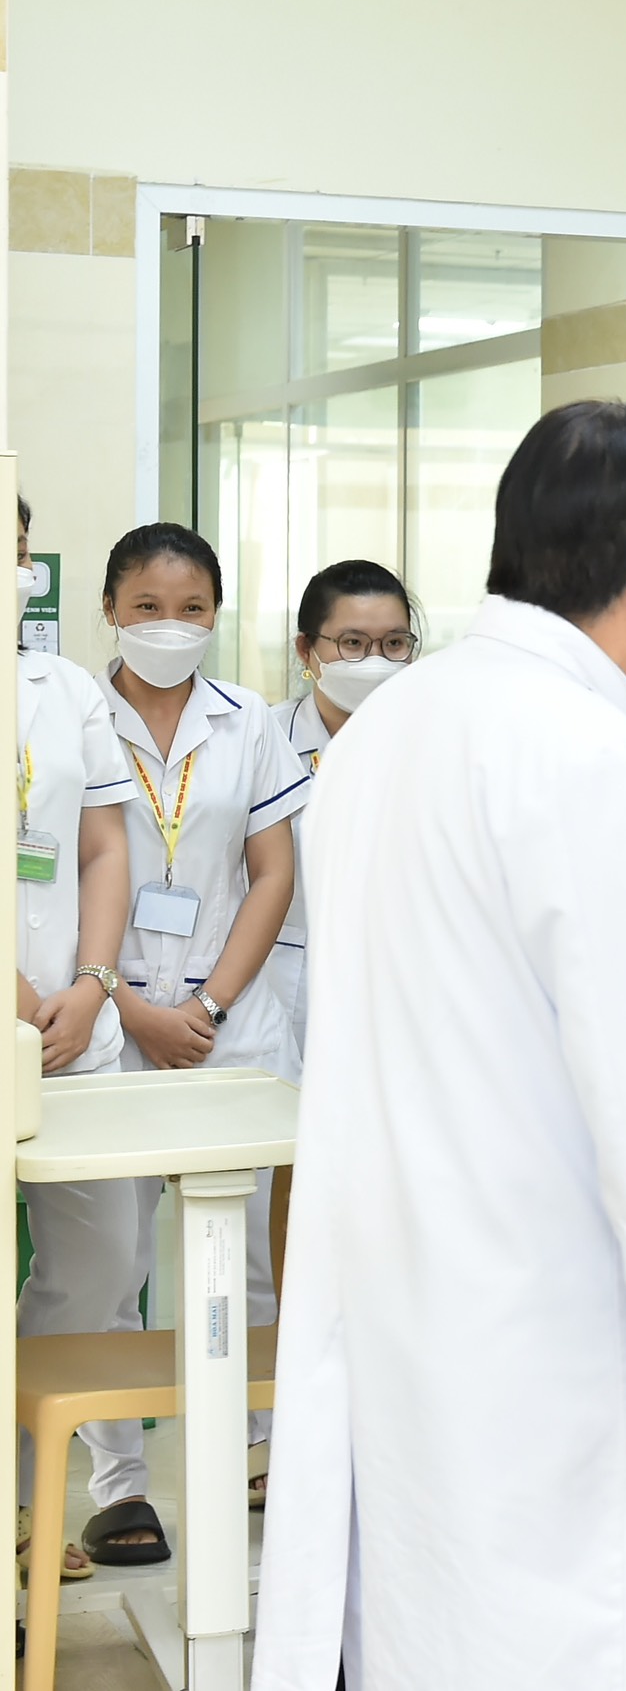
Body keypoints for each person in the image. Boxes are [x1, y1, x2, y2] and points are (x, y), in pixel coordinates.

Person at [250, 400, 626, 1691]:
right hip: (547, 1315)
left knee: (426, 1620)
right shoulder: (595, 756)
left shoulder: (392, 728)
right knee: (571, 1630)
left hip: (406, 1288)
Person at [83, 522, 307, 1566]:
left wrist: (208, 1003)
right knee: (110, 1260)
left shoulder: (248, 719)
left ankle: (257, 1450)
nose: (170, 626)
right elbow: (61, 870)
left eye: (192, 609)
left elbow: (273, 872)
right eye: (147, 607)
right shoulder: (73, 716)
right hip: (108, 1022)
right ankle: (118, 1485)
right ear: (110, 611)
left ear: (217, 614)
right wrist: (133, 1006)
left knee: (246, 1256)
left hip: (231, 1023)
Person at [13, 494, 137, 1586]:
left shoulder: (64, 689)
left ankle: (19, 1496)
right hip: (13, 1017)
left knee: (100, 1263)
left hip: (72, 1034)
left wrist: (93, 984)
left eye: (14, 548)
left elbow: (101, 846)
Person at [264, 559, 421, 1078]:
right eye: (352, 643)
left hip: (404, 983)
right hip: (286, 983)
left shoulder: (439, 746)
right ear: (306, 650)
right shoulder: (263, 739)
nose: (374, 659)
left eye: (394, 643)